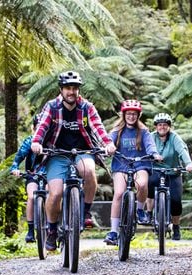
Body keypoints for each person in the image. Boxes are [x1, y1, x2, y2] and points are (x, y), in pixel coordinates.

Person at [31, 71, 116, 251]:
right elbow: (42, 126)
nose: (71, 92)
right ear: (61, 90)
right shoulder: (52, 107)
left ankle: (84, 212)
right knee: (54, 194)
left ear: (78, 90)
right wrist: (37, 142)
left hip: (83, 151)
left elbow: (97, 127)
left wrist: (107, 143)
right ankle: (52, 229)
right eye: (68, 88)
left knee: (89, 173)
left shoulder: (86, 107)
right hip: (57, 153)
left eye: (75, 88)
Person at [104, 100, 162, 245]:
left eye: (134, 114)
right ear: (124, 115)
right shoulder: (116, 131)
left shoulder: (143, 131)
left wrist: (154, 154)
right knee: (118, 193)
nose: (131, 116)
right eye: (129, 114)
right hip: (121, 165)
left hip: (140, 164)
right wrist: (109, 147)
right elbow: (108, 142)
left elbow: (150, 146)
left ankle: (140, 210)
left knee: (142, 184)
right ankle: (113, 231)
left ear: (138, 115)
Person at [144, 113, 192, 240]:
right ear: (156, 126)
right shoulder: (150, 137)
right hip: (155, 170)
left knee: (176, 201)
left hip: (173, 172)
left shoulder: (175, 138)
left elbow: (182, 150)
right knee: (148, 185)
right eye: (160, 125)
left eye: (165, 125)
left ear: (169, 126)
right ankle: (149, 213)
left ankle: (176, 227)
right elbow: (144, 150)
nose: (162, 127)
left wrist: (188, 163)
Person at [10, 114, 44, 243]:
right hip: (33, 175)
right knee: (31, 196)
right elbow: (18, 157)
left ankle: (55, 226)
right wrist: (15, 168)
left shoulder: (54, 142)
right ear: (34, 128)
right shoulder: (29, 141)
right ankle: (30, 231)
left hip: (49, 176)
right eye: (38, 127)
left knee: (54, 194)